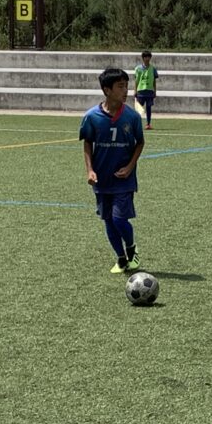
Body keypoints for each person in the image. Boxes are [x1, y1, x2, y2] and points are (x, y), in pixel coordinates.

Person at [80, 68, 145, 274]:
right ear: (107, 90)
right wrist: (90, 170)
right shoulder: (92, 116)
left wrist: (130, 167)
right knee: (108, 220)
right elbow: (87, 143)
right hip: (102, 178)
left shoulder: (132, 117)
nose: (125, 90)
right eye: (120, 86)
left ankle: (131, 247)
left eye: (126, 86)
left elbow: (140, 143)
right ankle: (121, 258)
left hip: (124, 179)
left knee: (119, 219)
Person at [133, 50, 159, 129]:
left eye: (148, 57)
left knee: (148, 108)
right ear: (143, 58)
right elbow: (136, 80)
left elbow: (154, 81)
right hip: (140, 91)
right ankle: (137, 124)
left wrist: (155, 91)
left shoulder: (153, 69)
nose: (147, 59)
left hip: (149, 91)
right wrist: (135, 90)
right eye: (145, 57)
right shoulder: (138, 68)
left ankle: (148, 124)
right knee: (139, 109)